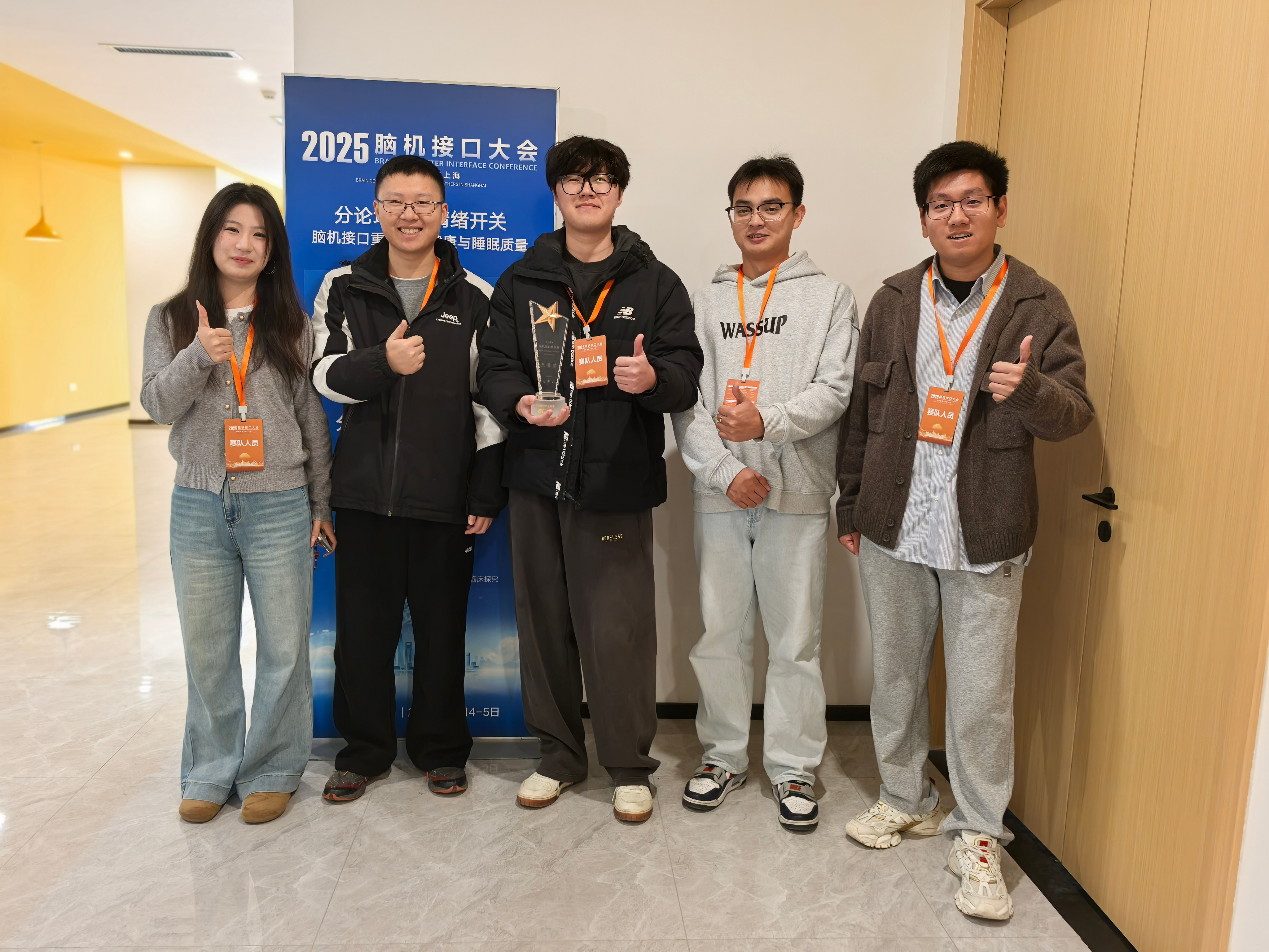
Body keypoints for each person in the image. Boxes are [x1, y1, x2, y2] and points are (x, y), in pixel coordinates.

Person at [836, 141, 1093, 918]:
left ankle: (977, 832)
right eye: (941, 204)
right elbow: (861, 414)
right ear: (923, 218)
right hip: (893, 525)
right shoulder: (891, 300)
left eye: (971, 200)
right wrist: (850, 505)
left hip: (986, 532)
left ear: (999, 210)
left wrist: (1030, 390)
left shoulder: (1037, 303)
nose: (956, 215)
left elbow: (1073, 415)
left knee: (981, 697)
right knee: (895, 677)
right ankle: (903, 796)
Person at [477, 135, 702, 823]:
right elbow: (493, 366)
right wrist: (518, 401)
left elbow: (686, 371)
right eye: (573, 180)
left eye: (601, 179)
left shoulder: (654, 281)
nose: (587, 190)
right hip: (535, 477)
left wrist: (652, 378)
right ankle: (557, 757)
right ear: (556, 193)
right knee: (542, 623)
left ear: (619, 193)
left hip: (617, 481)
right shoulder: (522, 281)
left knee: (617, 630)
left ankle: (628, 766)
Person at [309, 154, 507, 804]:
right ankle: (362, 752)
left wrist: (484, 489)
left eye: (423, 203)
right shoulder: (344, 284)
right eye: (395, 201)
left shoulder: (472, 294)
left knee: (442, 634)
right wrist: (382, 362)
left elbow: (488, 403)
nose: (409, 214)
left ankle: (441, 751)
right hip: (363, 495)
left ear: (443, 212)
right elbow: (323, 374)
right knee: (362, 636)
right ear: (376, 209)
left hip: (443, 497)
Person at [671, 155, 858, 832]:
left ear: (797, 215)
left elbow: (835, 390)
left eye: (771, 207)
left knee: (795, 640)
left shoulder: (830, 297)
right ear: (730, 217)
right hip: (722, 494)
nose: (756, 220)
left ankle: (792, 766)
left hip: (797, 493)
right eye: (743, 208)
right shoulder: (706, 301)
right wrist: (727, 472)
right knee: (719, 633)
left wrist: (767, 425)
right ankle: (722, 755)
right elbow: (686, 402)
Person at [141, 183, 334, 825]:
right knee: (207, 647)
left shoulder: (291, 324)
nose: (245, 244)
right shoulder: (169, 317)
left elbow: (310, 419)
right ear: (211, 237)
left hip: (279, 503)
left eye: (259, 234)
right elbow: (157, 404)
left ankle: (273, 768)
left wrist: (321, 504)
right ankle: (210, 769)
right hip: (198, 503)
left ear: (272, 250)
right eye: (233, 229)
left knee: (284, 647)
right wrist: (200, 355)